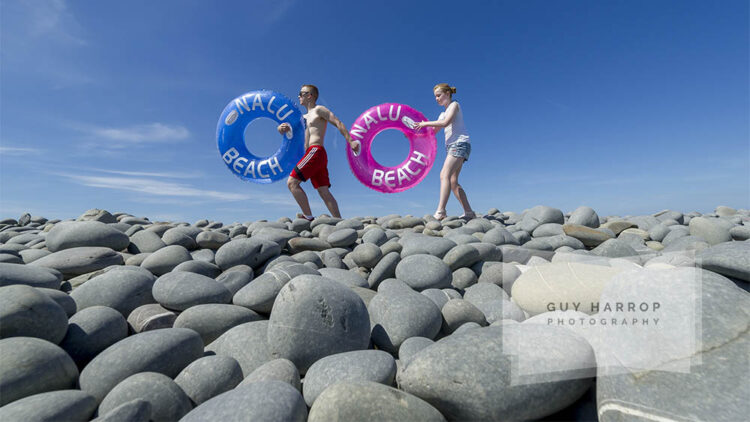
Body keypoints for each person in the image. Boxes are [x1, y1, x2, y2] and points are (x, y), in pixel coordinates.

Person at [277, 84, 360, 220]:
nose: (298, 96)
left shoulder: (319, 110)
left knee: (292, 182)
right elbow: (288, 130)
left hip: (316, 151)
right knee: (323, 191)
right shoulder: (302, 118)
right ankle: (339, 221)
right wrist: (281, 128)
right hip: (314, 155)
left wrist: (350, 141)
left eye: (301, 93)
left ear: (310, 95)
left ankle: (308, 217)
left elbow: (338, 122)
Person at [414, 83, 476, 220]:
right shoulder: (442, 113)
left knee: (444, 175)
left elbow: (445, 123)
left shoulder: (454, 105)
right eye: (435, 97)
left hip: (460, 144)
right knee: (453, 181)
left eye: (438, 95)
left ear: (447, 94)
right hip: (452, 147)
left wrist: (424, 123)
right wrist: (414, 136)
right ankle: (469, 212)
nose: (436, 99)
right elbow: (434, 132)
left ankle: (441, 211)